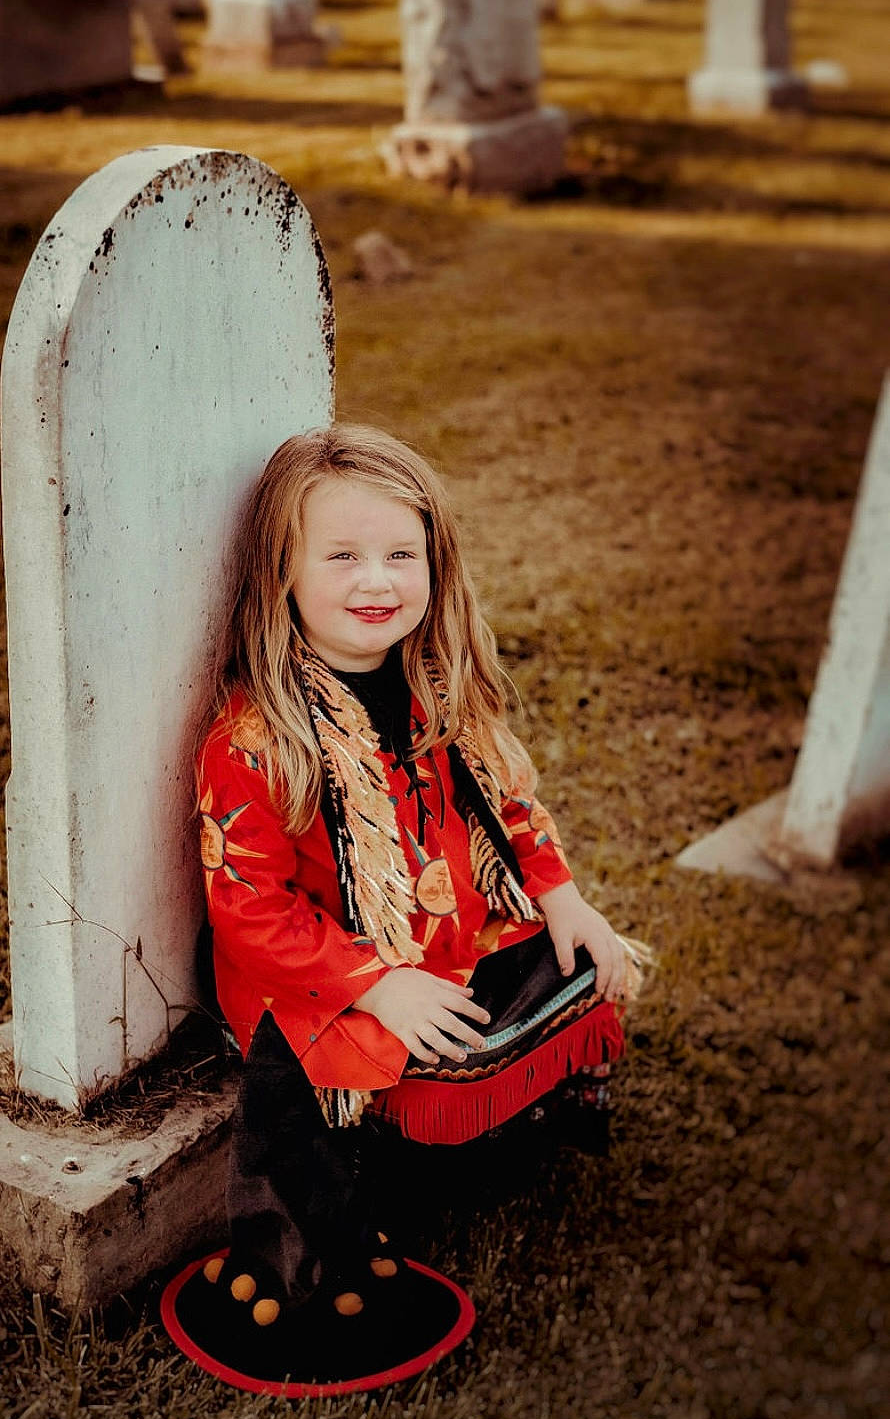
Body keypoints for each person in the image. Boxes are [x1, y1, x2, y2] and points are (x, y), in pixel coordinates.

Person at [193, 423, 644, 1349]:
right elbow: (251, 911)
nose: (378, 582)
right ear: (282, 571)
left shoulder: (441, 685)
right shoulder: (253, 742)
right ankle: (363, 1185)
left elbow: (508, 803)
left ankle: (532, 1105)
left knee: (580, 967)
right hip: (318, 977)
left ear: (436, 564)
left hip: (441, 931)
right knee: (366, 1066)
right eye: (344, 556)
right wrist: (380, 984)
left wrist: (559, 895)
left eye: (403, 553)